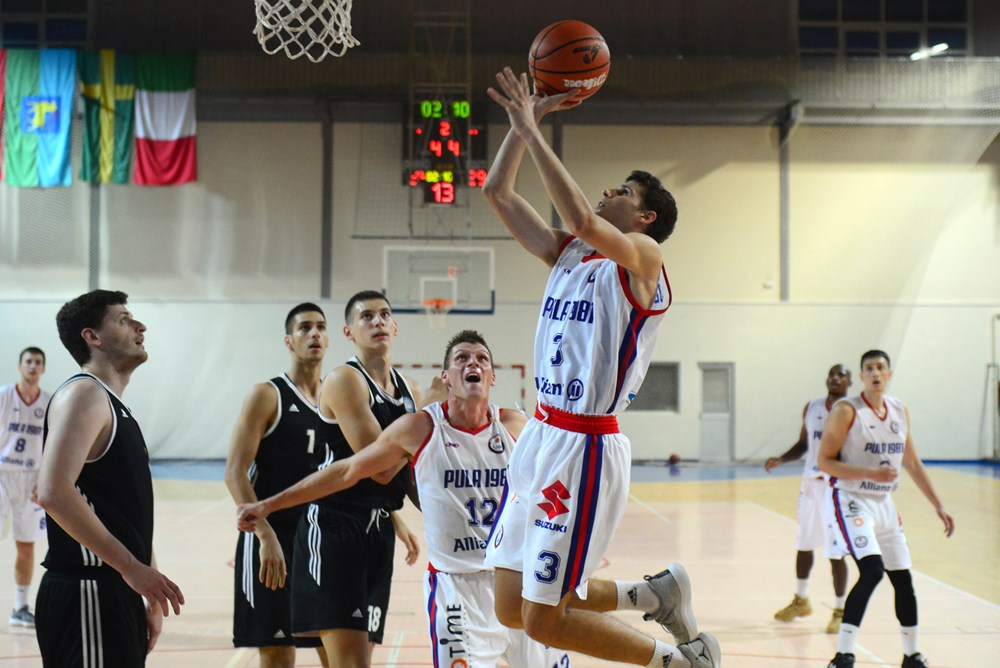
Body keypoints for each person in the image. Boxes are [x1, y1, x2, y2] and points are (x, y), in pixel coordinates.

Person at [479, 68, 720, 668]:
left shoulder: (645, 261)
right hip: (541, 435)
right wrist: (524, 123)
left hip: (584, 447)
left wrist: (533, 130)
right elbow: (497, 194)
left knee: (544, 618)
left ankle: (682, 663)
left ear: (645, 219)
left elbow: (587, 220)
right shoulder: (572, 254)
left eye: (625, 192)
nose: (609, 191)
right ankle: (653, 594)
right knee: (509, 604)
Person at [237, 330, 571, 667]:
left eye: (482, 359)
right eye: (462, 358)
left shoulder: (515, 427)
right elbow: (346, 471)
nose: (473, 363)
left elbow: (556, 488)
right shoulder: (419, 428)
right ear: (446, 377)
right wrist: (267, 505)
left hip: (513, 577)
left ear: (492, 377)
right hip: (455, 588)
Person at [35, 290, 184, 667]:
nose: (140, 326)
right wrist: (132, 568)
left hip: (115, 588)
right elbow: (52, 492)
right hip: (87, 588)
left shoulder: (113, 405)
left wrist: (147, 586)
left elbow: (126, 511)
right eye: (124, 319)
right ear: (92, 337)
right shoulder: (84, 394)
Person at [285, 290, 421, 668]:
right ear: (348, 332)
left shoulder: (411, 389)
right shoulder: (345, 380)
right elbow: (381, 467)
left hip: (377, 530)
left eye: (384, 315)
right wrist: (420, 436)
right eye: (366, 317)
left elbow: (413, 476)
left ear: (395, 326)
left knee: (355, 661)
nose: (378, 322)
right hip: (335, 528)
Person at [818, 350, 955, 668]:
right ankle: (843, 655)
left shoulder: (899, 410)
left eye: (880, 367)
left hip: (884, 503)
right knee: (872, 571)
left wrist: (938, 505)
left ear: (889, 374)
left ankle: (912, 655)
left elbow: (912, 462)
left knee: (903, 578)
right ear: (861, 376)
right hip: (851, 498)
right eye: (869, 368)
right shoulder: (846, 410)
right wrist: (870, 473)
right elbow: (824, 461)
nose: (875, 373)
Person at [224, 303, 331, 667]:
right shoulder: (268, 395)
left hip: (320, 540)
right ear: (289, 341)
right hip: (273, 537)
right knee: (277, 652)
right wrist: (264, 534)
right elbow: (235, 472)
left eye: (321, 327)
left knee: (335, 647)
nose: (314, 333)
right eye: (304, 328)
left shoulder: (336, 398)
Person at [766, 364, 851, 633]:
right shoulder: (812, 407)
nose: (835, 378)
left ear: (849, 382)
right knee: (803, 544)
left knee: (835, 551)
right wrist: (781, 458)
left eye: (841, 375)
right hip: (810, 486)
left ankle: (840, 610)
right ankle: (801, 600)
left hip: (835, 487)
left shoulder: (852, 411)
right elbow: (804, 443)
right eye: (832, 374)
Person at [0, 347, 50, 629]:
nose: (33, 366)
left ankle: (19, 608)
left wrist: (45, 479)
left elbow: (53, 445)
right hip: (2, 474)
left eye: (37, 362)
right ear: (20, 366)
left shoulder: (50, 402)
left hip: (32, 479)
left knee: (27, 546)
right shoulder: (4, 396)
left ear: (43, 369)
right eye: (28, 361)